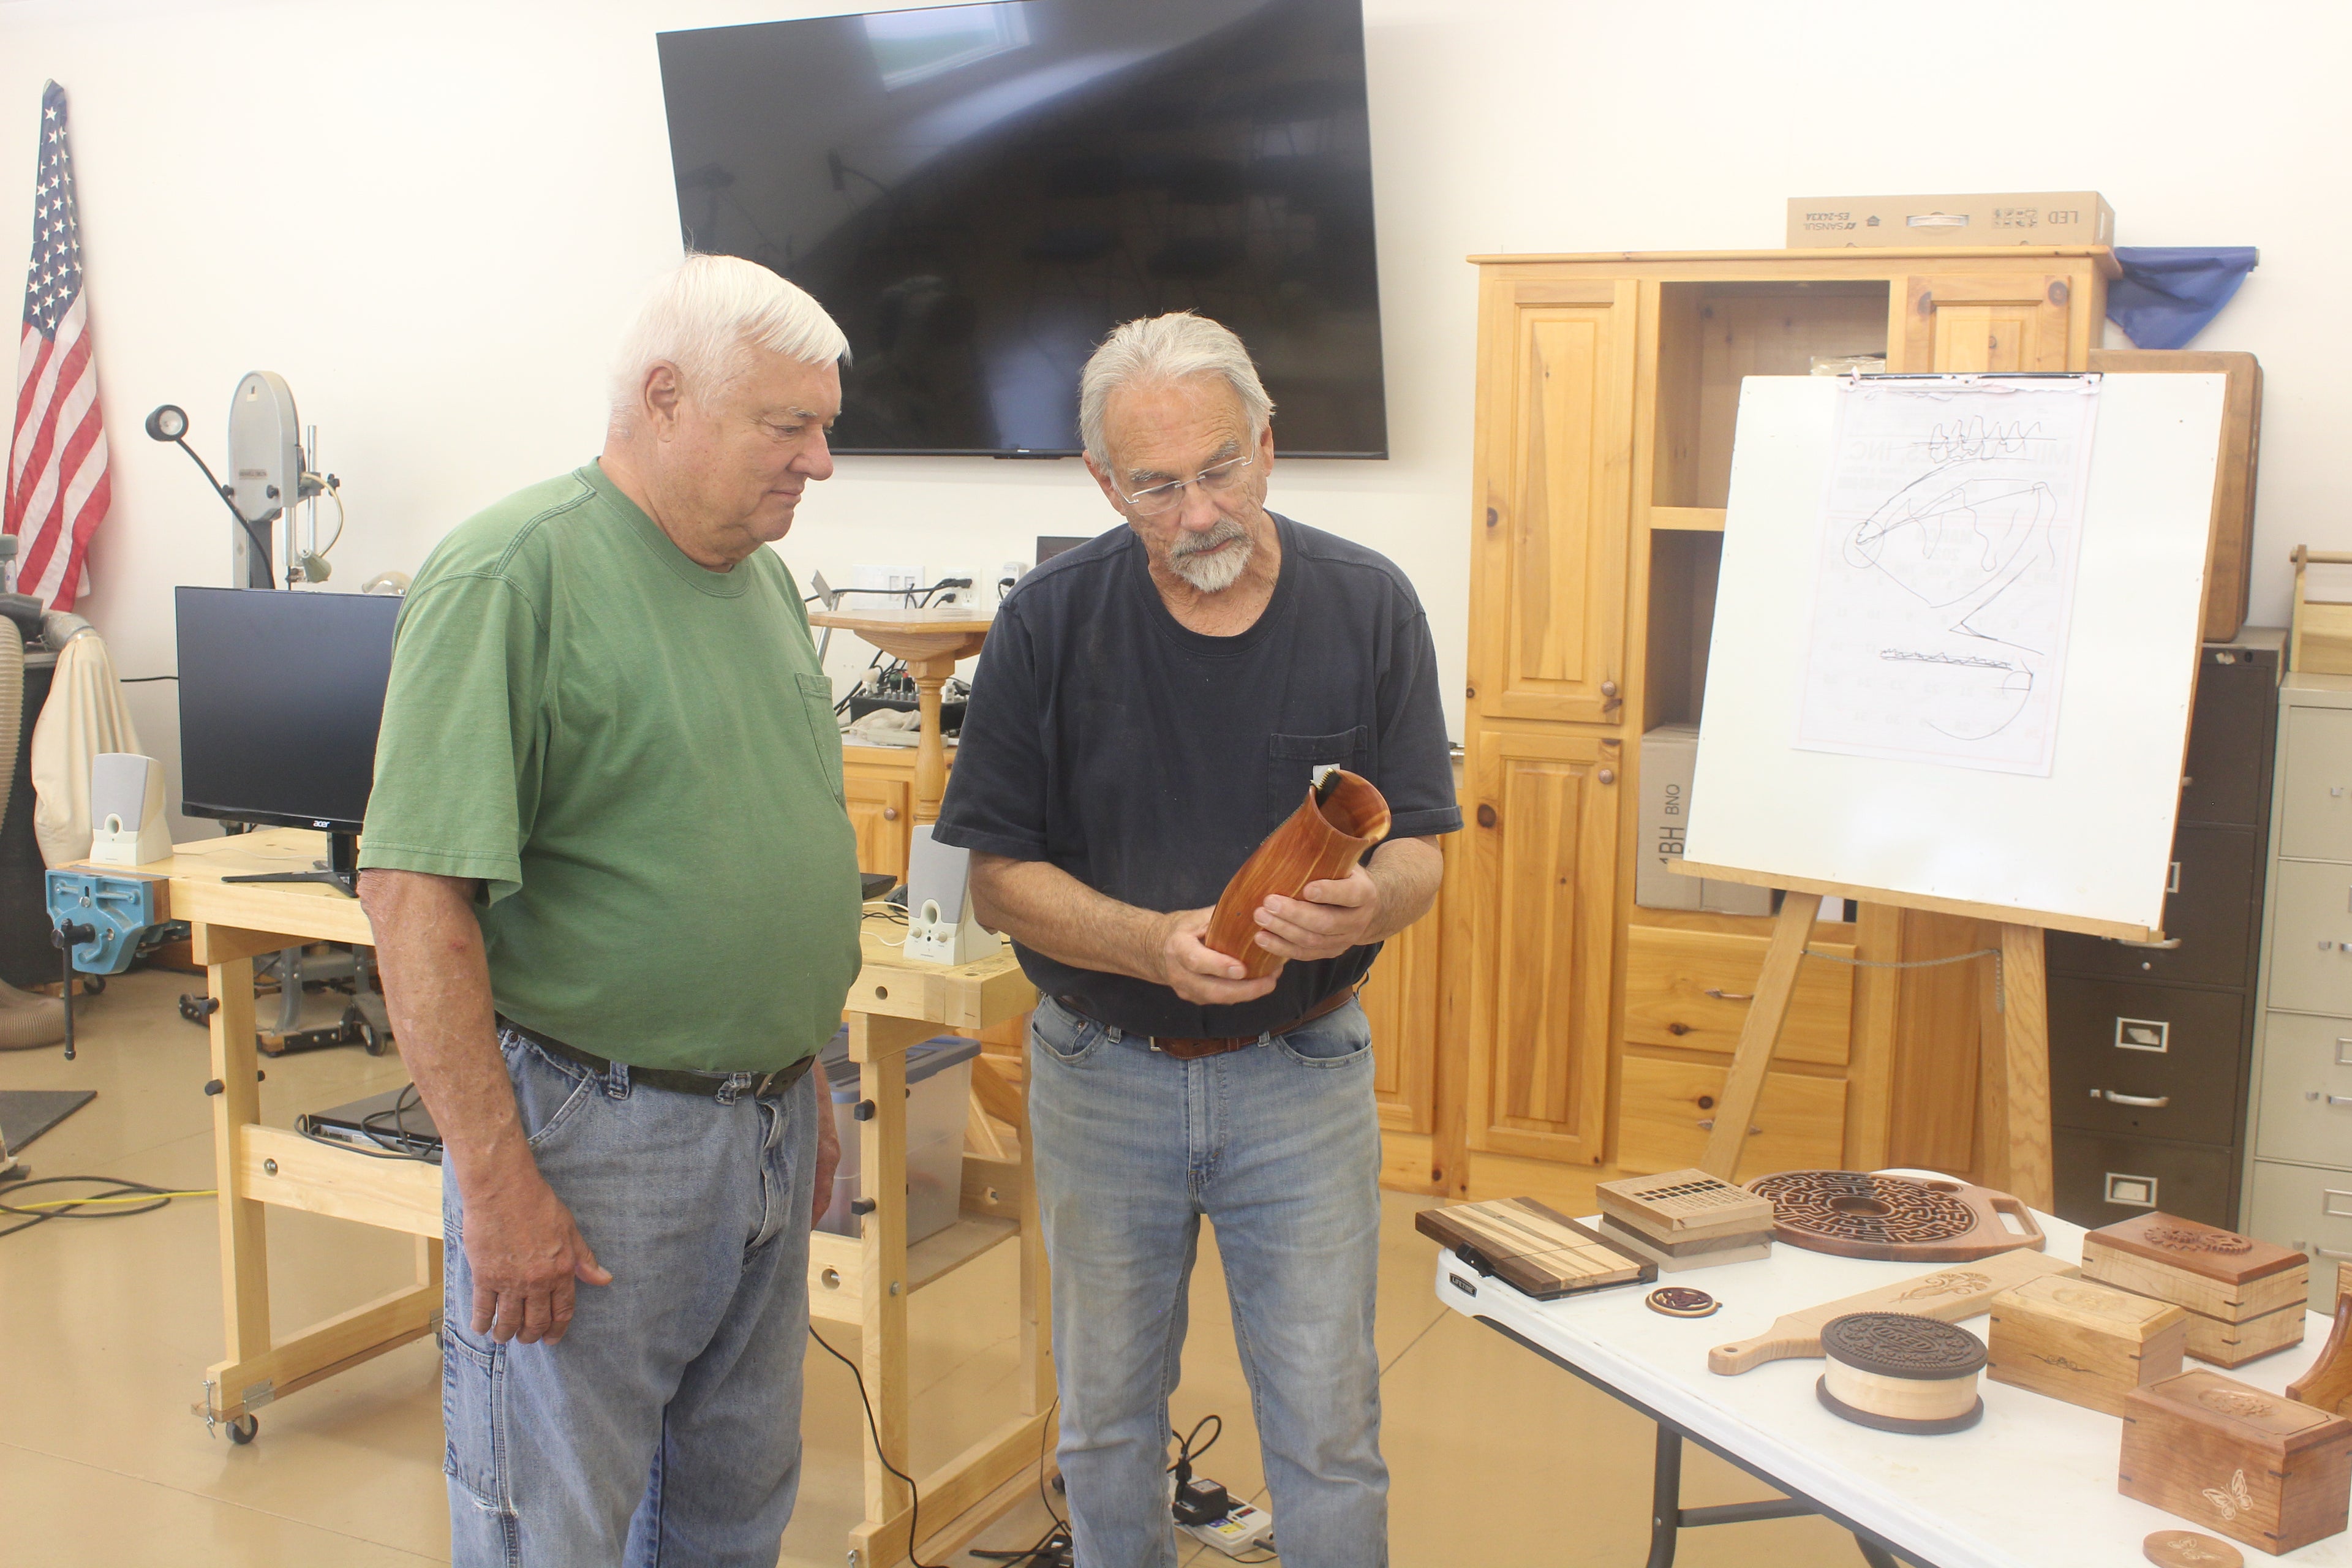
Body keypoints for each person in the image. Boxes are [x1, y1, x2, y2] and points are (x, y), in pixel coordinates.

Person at [356, 253, 861, 1567]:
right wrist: (497, 1179)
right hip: (596, 1134)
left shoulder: (757, 580)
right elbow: (415, 898)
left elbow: (754, 845)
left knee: (731, 1509)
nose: (818, 460)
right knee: (558, 1526)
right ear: (663, 396)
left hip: (760, 1123)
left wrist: (805, 1075)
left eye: (825, 428)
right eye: (787, 424)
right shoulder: (511, 574)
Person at [934, 312, 1460, 1567]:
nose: (1198, 511)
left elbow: (1424, 844)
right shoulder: (1050, 625)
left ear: (1269, 446)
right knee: (1109, 1424)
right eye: (1157, 486)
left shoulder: (1368, 604)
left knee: (1329, 1426)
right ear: (1103, 483)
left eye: (1220, 468)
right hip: (1102, 1069)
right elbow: (998, 880)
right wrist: (1146, 941)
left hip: (1304, 1071)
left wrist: (1375, 900)